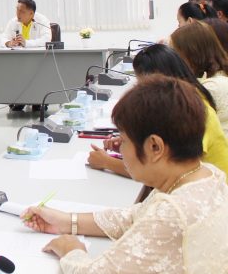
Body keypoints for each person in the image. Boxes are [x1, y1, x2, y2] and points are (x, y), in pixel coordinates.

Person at [23, 75, 228, 272]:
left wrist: (71, 249)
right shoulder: (207, 175)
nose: (120, 149)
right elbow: (135, 217)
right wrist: (67, 221)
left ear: (155, 147)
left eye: (124, 140)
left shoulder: (173, 212)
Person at [87, 44, 228, 177]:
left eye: (142, 84)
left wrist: (107, 162)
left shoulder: (193, 111)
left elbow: (166, 172)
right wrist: (133, 145)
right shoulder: (182, 101)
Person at [171, 21, 228, 135]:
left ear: (191, 54)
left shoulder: (210, 88)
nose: (173, 59)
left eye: (175, 53)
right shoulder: (220, 77)